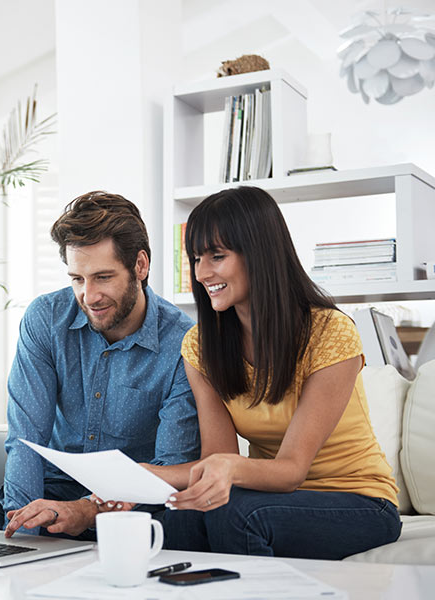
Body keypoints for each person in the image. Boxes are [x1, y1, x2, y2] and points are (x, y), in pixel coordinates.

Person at [128, 186, 401, 559]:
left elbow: (291, 471)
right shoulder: (201, 345)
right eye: (196, 258)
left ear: (259, 254)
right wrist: (140, 477)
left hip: (358, 501)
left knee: (237, 517)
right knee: (173, 521)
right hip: (268, 498)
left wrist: (222, 470)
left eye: (217, 256)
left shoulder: (330, 332)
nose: (202, 272)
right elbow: (218, 460)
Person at [0, 190, 200, 539]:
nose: (89, 296)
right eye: (77, 279)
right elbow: (25, 439)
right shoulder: (46, 319)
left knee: (180, 526)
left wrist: (87, 510)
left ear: (140, 266)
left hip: (130, 506)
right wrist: (22, 530)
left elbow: (168, 466)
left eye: (103, 277)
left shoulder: (183, 344)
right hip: (48, 493)